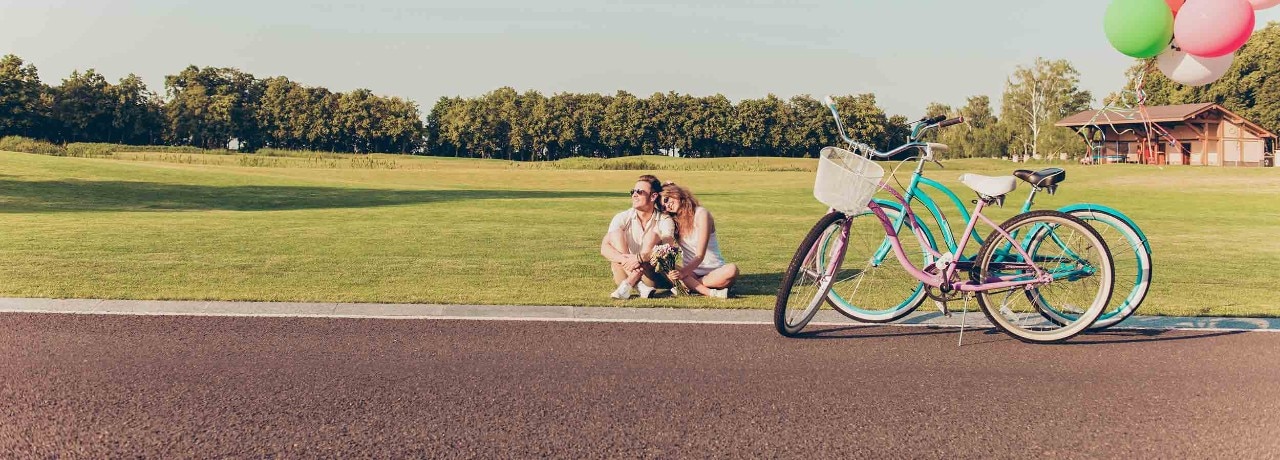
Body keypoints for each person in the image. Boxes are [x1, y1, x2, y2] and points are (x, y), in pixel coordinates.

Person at [645, 182, 738, 298]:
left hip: (713, 271)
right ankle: (709, 291)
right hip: (690, 273)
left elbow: (700, 255)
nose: (667, 206)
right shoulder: (673, 221)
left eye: (666, 200)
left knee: (732, 270)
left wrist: (683, 274)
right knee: (662, 263)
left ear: (675, 193)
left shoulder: (701, 214)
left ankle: (690, 286)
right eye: (664, 207)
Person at [600, 174, 674, 299]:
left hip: (652, 273)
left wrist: (640, 258)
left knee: (652, 235)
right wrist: (626, 260)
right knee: (616, 235)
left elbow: (667, 247)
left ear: (653, 196)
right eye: (633, 191)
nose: (634, 195)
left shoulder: (664, 219)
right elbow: (604, 248)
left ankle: (631, 284)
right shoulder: (622, 217)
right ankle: (640, 286)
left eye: (639, 192)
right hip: (625, 270)